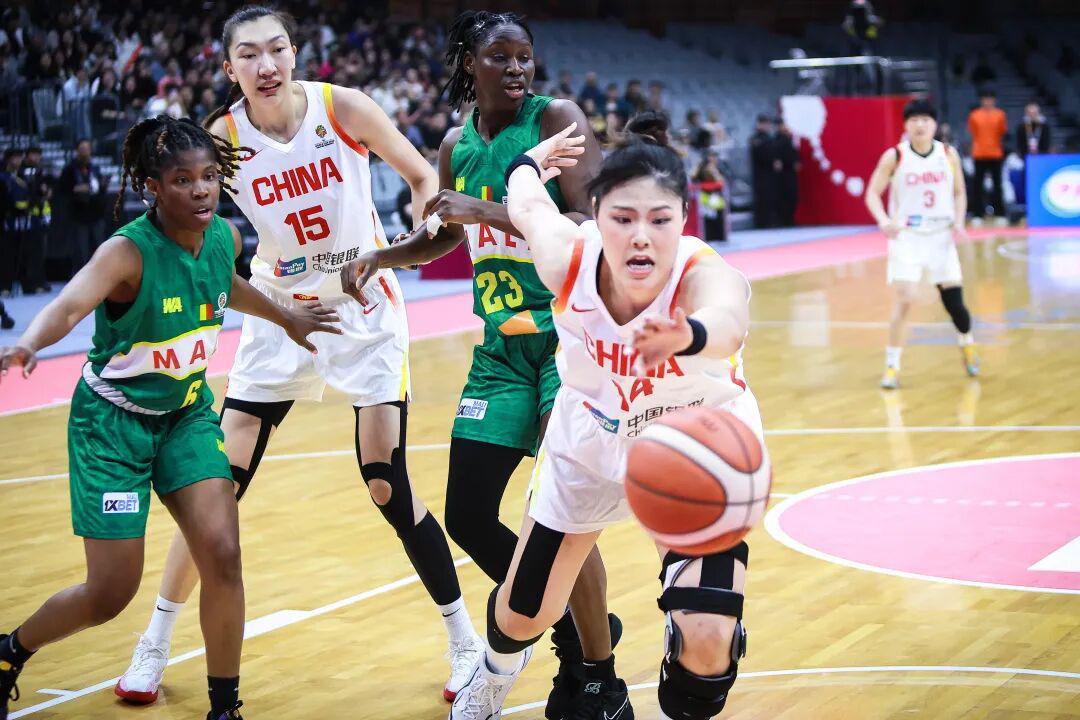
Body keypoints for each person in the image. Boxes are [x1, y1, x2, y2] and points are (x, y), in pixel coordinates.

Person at [114, 6, 478, 706]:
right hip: (280, 310)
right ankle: (154, 642)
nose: (267, 64)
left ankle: (464, 641)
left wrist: (415, 231)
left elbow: (419, 176)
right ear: (230, 69)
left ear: (294, 52)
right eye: (249, 54)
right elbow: (184, 222)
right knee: (215, 488)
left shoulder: (343, 108)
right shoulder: (221, 138)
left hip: (363, 309)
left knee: (386, 480)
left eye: (277, 48)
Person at [0, 114, 341, 720]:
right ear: (152, 187)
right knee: (110, 592)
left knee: (223, 553)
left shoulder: (223, 236)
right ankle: (10, 651)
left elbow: (226, 285)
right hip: (113, 426)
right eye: (184, 180)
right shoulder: (125, 253)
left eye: (209, 175)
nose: (202, 190)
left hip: (185, 415)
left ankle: (225, 708)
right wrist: (29, 343)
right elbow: (70, 304)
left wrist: (287, 316)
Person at [339, 11, 629, 718]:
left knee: (563, 509)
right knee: (467, 513)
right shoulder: (455, 143)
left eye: (524, 55)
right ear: (469, 63)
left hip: (567, 341)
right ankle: (564, 624)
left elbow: (591, 222)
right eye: (500, 56)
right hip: (500, 350)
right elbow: (445, 231)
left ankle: (598, 674)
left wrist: (489, 209)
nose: (517, 68)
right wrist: (383, 255)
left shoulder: (555, 119)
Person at [448, 111, 761, 720]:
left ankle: (692, 634)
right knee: (522, 614)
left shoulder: (701, 273)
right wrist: (529, 163)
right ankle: (494, 670)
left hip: (693, 447)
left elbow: (728, 319)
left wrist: (690, 335)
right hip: (590, 443)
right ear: (595, 216)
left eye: (660, 220)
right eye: (623, 219)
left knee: (705, 661)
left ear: (683, 219)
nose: (641, 236)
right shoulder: (568, 258)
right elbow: (526, 204)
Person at [864, 99, 980, 389]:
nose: (920, 125)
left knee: (955, 304)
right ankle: (892, 366)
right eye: (914, 120)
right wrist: (883, 220)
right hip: (908, 236)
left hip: (941, 235)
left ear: (934, 125)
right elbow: (872, 193)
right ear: (906, 125)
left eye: (925, 120)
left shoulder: (948, 154)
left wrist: (959, 220)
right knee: (905, 299)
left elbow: (959, 192)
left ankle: (967, 343)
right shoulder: (895, 156)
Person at [58, 139, 109, 275]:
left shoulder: (94, 168)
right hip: (79, 215)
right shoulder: (70, 169)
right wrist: (77, 189)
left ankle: (100, 277)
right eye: (82, 149)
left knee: (99, 247)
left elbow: (99, 188)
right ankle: (81, 278)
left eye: (87, 149)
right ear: (77, 151)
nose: (85, 152)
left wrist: (102, 185)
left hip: (96, 214)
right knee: (81, 250)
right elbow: (63, 190)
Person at [967, 89, 1007, 222]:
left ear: (994, 100)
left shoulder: (1000, 115)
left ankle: (1000, 214)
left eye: (990, 99)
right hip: (979, 154)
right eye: (985, 99)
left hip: (995, 153)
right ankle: (978, 214)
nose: (988, 101)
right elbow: (973, 131)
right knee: (977, 185)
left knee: (997, 184)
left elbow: (1001, 131)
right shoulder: (974, 115)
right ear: (981, 100)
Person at [17, 146, 51, 295]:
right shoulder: (21, 172)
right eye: (33, 154)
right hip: (26, 215)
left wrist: (46, 191)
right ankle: (28, 283)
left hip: (41, 216)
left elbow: (46, 189)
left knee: (39, 251)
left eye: (38, 155)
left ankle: (39, 280)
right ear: (26, 156)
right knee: (27, 251)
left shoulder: (40, 171)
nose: (36, 158)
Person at [0, 148, 28, 297]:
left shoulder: (23, 177)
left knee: (20, 252)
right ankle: (5, 285)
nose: (18, 161)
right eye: (15, 158)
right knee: (6, 253)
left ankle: (21, 282)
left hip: (21, 219)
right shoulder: (3, 177)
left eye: (20, 158)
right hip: (7, 219)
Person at [749, 114, 778, 228]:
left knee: (771, 196)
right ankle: (762, 222)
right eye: (765, 124)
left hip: (770, 173)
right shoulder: (755, 139)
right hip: (761, 173)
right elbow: (761, 155)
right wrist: (772, 160)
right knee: (762, 197)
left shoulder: (769, 138)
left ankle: (771, 220)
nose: (767, 126)